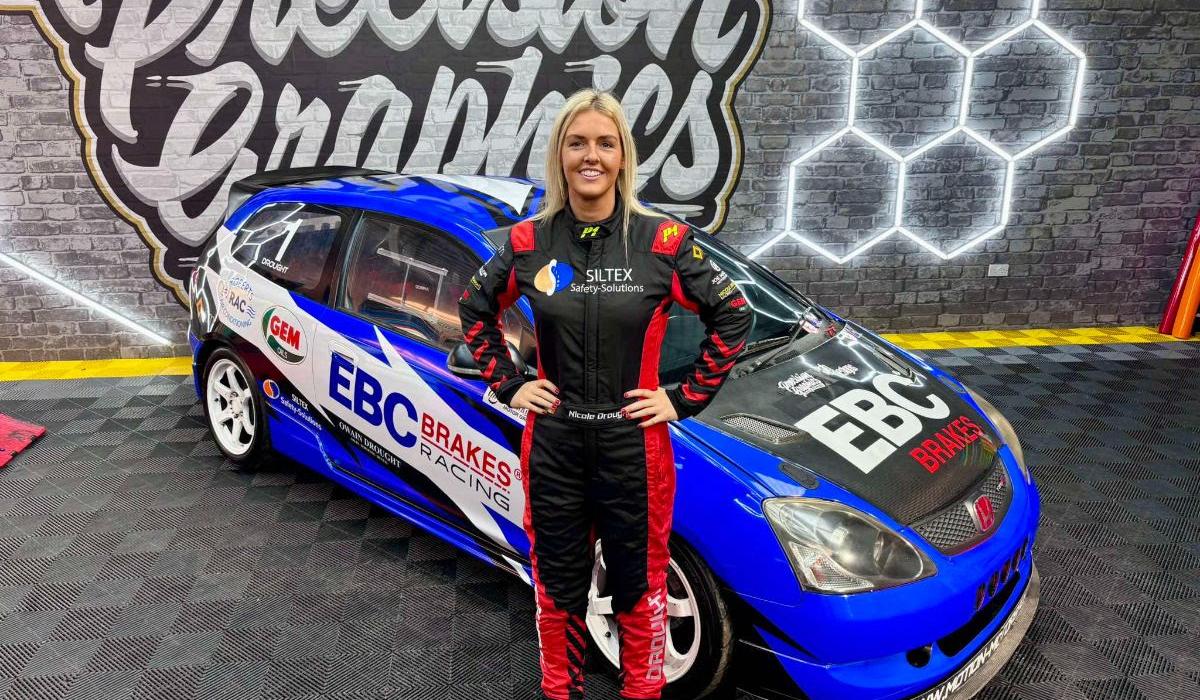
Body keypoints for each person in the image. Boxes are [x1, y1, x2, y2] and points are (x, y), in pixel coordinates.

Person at [458, 89, 751, 700]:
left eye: (604, 143)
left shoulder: (662, 241)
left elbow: (733, 314)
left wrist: (682, 397)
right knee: (557, 590)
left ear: (623, 158)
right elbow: (474, 309)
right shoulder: (529, 243)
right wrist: (510, 383)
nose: (590, 156)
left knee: (639, 591)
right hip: (555, 446)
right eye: (577, 143)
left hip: (633, 449)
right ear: (559, 156)